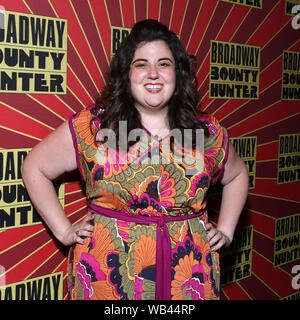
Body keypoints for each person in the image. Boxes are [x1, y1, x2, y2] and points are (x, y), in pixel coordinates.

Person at [21, 19, 249, 300]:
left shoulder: (204, 133)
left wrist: (225, 230)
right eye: (141, 64)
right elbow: (35, 166)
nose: (153, 73)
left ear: (177, 75)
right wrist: (64, 230)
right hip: (106, 284)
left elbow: (237, 175)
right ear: (126, 75)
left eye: (163, 64)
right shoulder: (94, 128)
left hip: (189, 285)